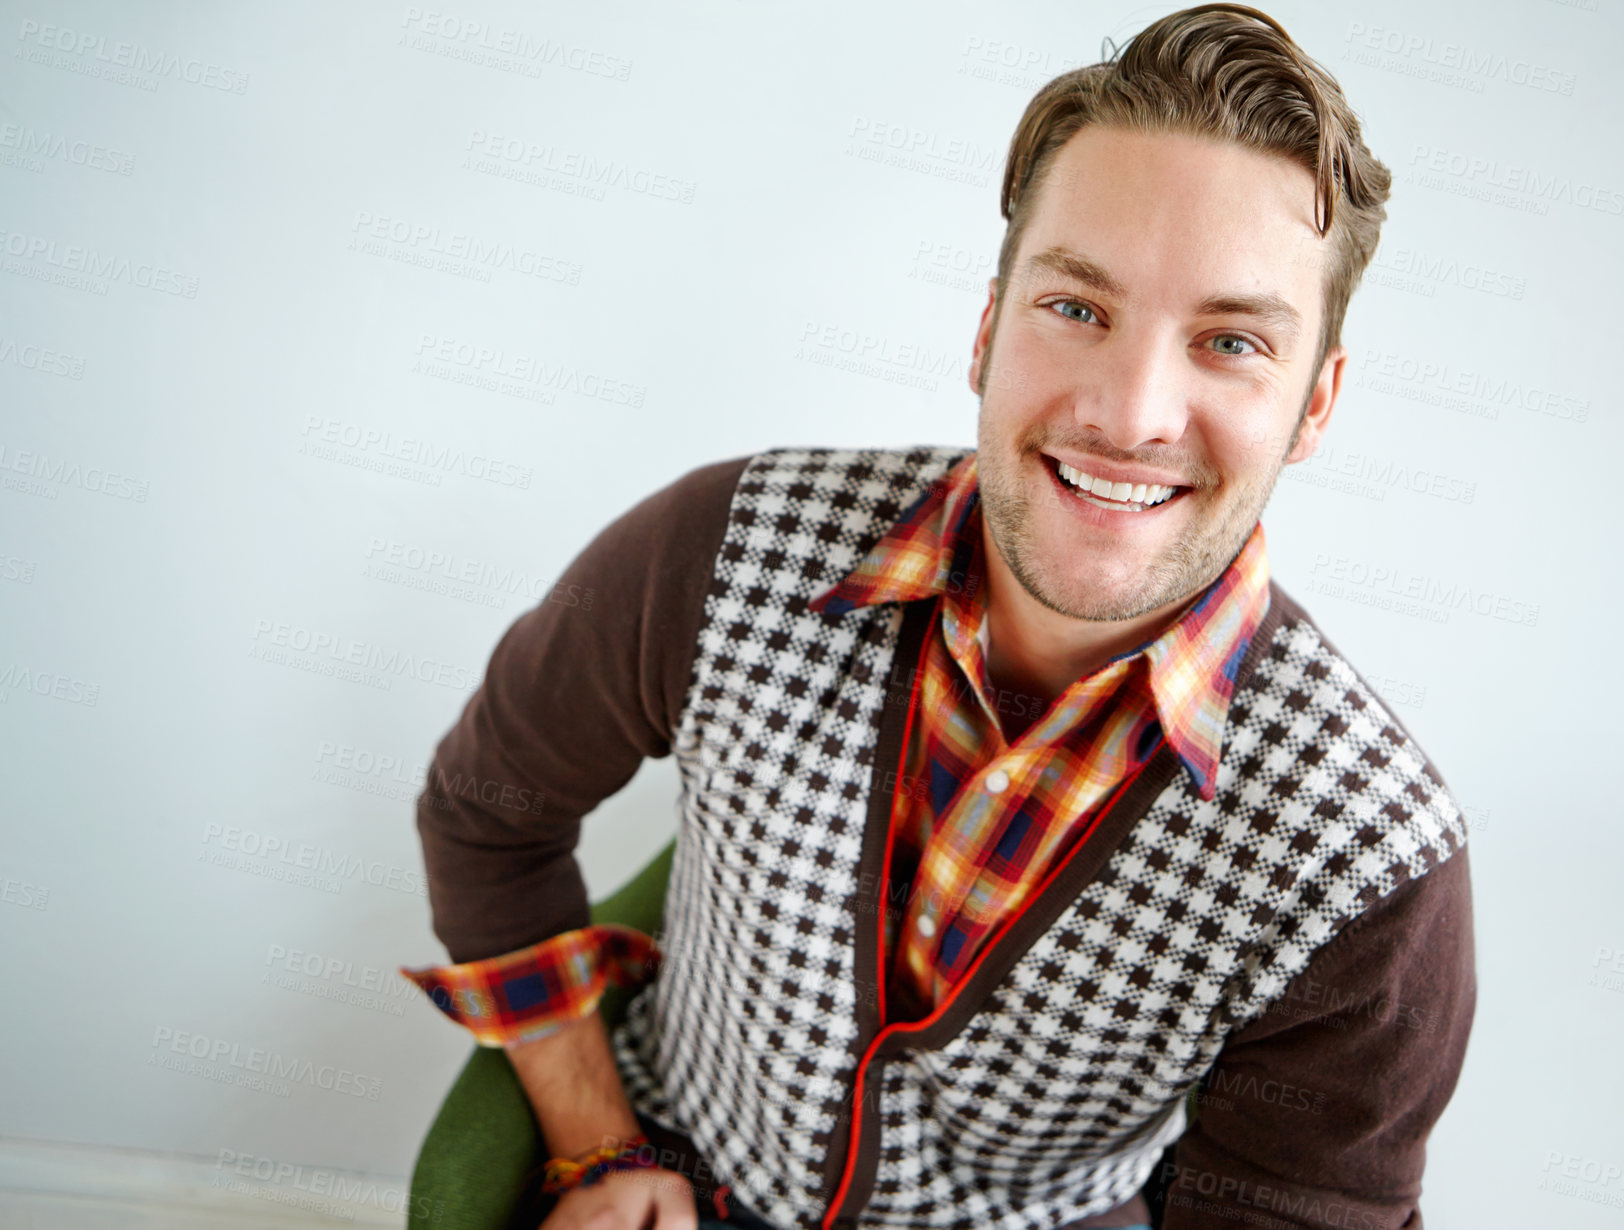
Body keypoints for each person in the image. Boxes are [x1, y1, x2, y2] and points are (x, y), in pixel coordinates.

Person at [399, 5, 1476, 1229]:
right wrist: (596, 1149)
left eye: (1230, 342)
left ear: (1314, 403)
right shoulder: (716, 550)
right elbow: (486, 814)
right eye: (1076, 307)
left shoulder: (1364, 864)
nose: (1131, 414)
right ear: (986, 327)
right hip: (682, 1175)